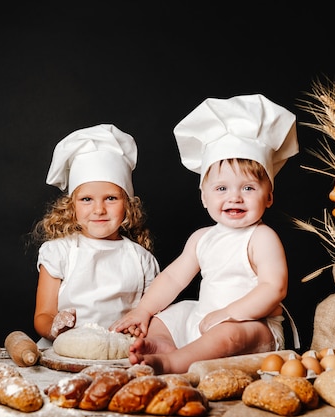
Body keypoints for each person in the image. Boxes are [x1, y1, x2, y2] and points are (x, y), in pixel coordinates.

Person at [110, 94, 300, 374]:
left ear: (269, 196)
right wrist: (143, 311)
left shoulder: (262, 237)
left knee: (229, 334)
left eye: (248, 188)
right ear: (204, 197)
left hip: (254, 327)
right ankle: (162, 343)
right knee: (168, 315)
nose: (234, 197)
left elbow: (274, 288)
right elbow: (173, 278)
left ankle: (172, 362)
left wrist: (229, 314)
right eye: (222, 189)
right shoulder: (202, 238)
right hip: (205, 319)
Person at [31, 124, 160, 349]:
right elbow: (43, 315)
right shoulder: (59, 252)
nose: (99, 210)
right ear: (71, 207)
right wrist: (55, 328)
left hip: (119, 354)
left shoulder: (141, 260)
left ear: (128, 205)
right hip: (62, 352)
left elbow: (154, 315)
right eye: (86, 199)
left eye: (110, 198)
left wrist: (140, 328)